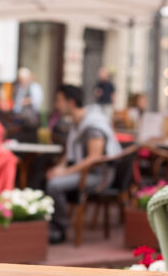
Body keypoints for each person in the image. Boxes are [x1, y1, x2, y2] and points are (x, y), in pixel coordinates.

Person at [46, 85, 121, 244]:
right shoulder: (77, 123)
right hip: (85, 172)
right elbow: (70, 154)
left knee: (54, 185)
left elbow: (94, 158)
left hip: (100, 176)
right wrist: (59, 168)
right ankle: (51, 225)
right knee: (47, 177)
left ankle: (60, 230)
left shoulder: (93, 125)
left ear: (71, 102)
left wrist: (64, 173)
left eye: (59, 101)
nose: (56, 105)